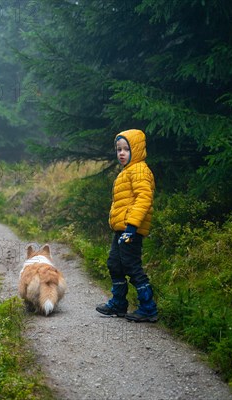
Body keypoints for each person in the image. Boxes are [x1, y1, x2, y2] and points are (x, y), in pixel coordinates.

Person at [96, 129, 158, 322]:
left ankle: (148, 308)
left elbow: (144, 198)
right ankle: (119, 303)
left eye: (126, 149)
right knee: (115, 263)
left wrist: (131, 226)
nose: (121, 153)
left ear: (137, 150)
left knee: (131, 266)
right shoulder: (127, 171)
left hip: (131, 229)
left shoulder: (140, 170)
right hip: (122, 229)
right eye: (118, 149)